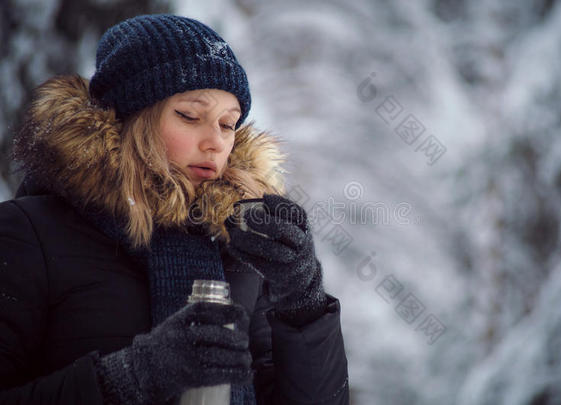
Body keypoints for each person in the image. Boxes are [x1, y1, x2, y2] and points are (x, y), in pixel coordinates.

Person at [0, 14, 349, 405]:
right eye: (189, 115)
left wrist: (303, 299)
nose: (215, 142)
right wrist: (133, 376)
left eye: (228, 124)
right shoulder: (27, 233)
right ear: (130, 117)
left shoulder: (240, 252)